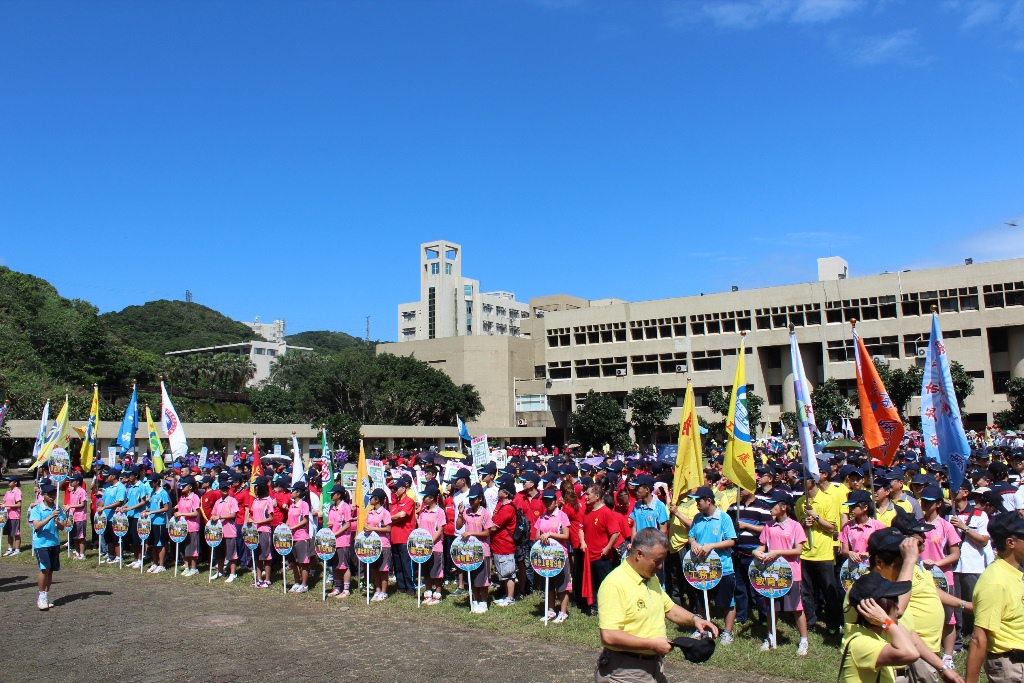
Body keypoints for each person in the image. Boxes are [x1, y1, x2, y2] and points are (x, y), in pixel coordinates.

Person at [595, 528, 718, 683]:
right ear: (639, 554)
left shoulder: (649, 577)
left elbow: (669, 608)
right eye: (657, 560)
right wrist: (652, 644)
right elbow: (609, 635)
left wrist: (695, 620)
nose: (660, 566)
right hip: (624, 670)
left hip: (653, 665)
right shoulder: (614, 584)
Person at [966, 512, 1024, 683]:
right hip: (1010, 667)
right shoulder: (996, 582)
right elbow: (978, 638)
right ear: (1010, 542)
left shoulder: (1014, 574)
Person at [754, 489, 809, 654]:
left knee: (797, 608)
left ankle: (804, 640)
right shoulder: (769, 526)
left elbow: (798, 550)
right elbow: (762, 545)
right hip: (771, 573)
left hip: (792, 573)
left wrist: (777, 552)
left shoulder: (795, 526)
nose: (769, 508)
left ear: (784, 507)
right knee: (772, 607)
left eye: (773, 505)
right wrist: (756, 552)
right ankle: (770, 637)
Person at [839, 573, 919, 683]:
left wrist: (887, 622)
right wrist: (885, 621)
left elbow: (911, 642)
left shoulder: (872, 635)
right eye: (894, 603)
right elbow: (911, 653)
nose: (898, 608)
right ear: (881, 608)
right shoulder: (861, 643)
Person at [687, 486, 738, 644]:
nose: (696, 504)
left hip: (723, 567)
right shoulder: (697, 518)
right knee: (702, 600)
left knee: (727, 601)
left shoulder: (724, 518)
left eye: (699, 501)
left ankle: (727, 632)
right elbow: (691, 536)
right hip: (702, 567)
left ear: (708, 501)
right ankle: (701, 628)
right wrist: (694, 542)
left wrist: (710, 546)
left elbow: (731, 541)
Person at [918, 485, 962, 662]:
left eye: (928, 502)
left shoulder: (946, 527)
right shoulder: (918, 525)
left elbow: (955, 554)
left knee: (948, 617)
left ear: (937, 504)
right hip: (921, 577)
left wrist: (936, 563)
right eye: (922, 501)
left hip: (943, 578)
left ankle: (948, 655)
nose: (924, 505)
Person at [948, 483, 992, 653]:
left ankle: (978, 637)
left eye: (955, 489)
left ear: (966, 493)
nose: (951, 492)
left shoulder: (980, 515)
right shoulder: (946, 513)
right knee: (955, 604)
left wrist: (964, 527)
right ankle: (957, 639)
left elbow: (984, 540)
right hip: (952, 567)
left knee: (976, 604)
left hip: (973, 566)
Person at [796, 473, 842, 635]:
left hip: (824, 554)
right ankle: (809, 621)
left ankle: (833, 624)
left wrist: (815, 517)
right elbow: (798, 529)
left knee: (829, 592)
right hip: (805, 554)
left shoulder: (827, 500)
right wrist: (803, 523)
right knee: (806, 592)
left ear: (812, 481)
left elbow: (832, 528)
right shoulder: (800, 502)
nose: (800, 483)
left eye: (803, 480)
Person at [29, 482, 71, 610]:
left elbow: (62, 527)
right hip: (41, 543)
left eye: (54, 493)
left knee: (51, 570)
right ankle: (41, 595)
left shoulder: (57, 508)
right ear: (43, 495)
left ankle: (46, 595)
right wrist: (50, 516)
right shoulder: (37, 509)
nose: (53, 496)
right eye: (50, 494)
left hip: (54, 542)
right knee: (44, 569)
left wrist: (58, 522)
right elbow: (36, 526)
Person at [534, 487, 572, 623]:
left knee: (562, 585)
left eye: (550, 501)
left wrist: (550, 535)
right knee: (548, 584)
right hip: (545, 555)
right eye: (545, 501)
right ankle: (550, 610)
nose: (547, 503)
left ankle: (563, 612)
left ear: (556, 502)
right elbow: (537, 535)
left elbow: (566, 535)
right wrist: (542, 538)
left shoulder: (562, 516)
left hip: (560, 555)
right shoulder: (542, 517)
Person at [584, 483, 623, 615]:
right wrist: (583, 542)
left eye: (588, 494)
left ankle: (608, 608)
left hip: (602, 556)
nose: (586, 497)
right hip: (589, 554)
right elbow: (581, 528)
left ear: (597, 496)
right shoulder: (587, 511)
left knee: (604, 583)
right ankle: (595, 607)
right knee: (593, 583)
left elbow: (616, 533)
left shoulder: (606, 512)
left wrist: (607, 548)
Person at [458, 483, 494, 613]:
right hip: (469, 551)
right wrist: (460, 514)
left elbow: (486, 533)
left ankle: (483, 602)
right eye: (470, 499)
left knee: (482, 579)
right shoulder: (467, 512)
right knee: (472, 578)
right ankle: (475, 600)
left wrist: (471, 533)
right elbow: (458, 526)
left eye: (474, 498)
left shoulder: (485, 514)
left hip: (482, 551)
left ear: (480, 499)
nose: (471, 501)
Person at [488, 477, 518, 608]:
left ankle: (510, 597)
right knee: (502, 572)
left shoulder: (507, 508)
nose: (498, 491)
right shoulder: (502, 506)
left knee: (508, 573)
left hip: (505, 544)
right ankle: (506, 595)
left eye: (501, 490)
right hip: (499, 544)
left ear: (506, 494)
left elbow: (495, 526)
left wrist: (484, 529)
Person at [417, 482, 447, 605]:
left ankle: (438, 593)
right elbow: (419, 525)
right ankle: (428, 592)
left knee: (437, 571)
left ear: (432, 498)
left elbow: (440, 530)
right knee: (426, 571)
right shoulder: (423, 510)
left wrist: (430, 542)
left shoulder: (440, 512)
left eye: (425, 497)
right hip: (423, 547)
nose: (424, 499)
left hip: (435, 547)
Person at [388, 476, 416, 597]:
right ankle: (401, 586)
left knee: (406, 564)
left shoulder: (409, 501)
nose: (394, 491)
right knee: (398, 564)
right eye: (393, 489)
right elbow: (394, 517)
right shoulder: (394, 503)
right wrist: (392, 518)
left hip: (405, 538)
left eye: (396, 488)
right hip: (394, 538)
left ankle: (410, 587)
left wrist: (390, 518)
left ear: (403, 489)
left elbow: (402, 515)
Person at [841, 490, 886, 563]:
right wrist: (849, 553)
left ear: (865, 507)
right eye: (850, 507)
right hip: (853, 567)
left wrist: (869, 553)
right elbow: (844, 550)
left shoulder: (877, 526)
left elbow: (883, 547)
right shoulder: (847, 526)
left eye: (854, 507)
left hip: (873, 566)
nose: (851, 509)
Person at [363, 488, 392, 601]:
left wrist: (373, 528)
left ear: (377, 499)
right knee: (374, 568)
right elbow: (368, 525)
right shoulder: (370, 512)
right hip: (372, 544)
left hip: (383, 544)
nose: (370, 499)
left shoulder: (385, 513)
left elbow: (388, 528)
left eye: (372, 497)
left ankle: (384, 592)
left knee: (383, 569)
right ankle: (377, 589)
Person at [326, 487, 353, 598]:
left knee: (344, 565)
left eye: (333, 494)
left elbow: (347, 524)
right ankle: (337, 587)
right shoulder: (332, 507)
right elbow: (330, 521)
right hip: (333, 540)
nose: (331, 496)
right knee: (335, 564)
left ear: (339, 495)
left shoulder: (345, 507)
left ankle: (346, 589)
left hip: (343, 540)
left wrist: (336, 533)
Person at [211, 482, 240, 582]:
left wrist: (220, 517)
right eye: (222, 488)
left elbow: (233, 515)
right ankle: (220, 571)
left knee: (231, 554)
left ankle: (232, 573)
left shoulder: (232, 500)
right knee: (219, 553)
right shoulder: (217, 502)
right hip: (218, 531)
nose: (224, 490)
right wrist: (213, 518)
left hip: (230, 531)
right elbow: (213, 514)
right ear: (219, 489)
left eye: (226, 488)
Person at [142, 473, 170, 572]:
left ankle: (161, 565)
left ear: (157, 482)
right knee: (153, 544)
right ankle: (154, 563)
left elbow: (166, 508)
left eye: (152, 482)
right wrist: (146, 511)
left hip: (160, 522)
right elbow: (153, 506)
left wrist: (151, 512)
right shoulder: (153, 493)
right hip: (152, 522)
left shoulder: (163, 493)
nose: (150, 484)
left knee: (160, 544)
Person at [249, 480, 275, 588]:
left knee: (266, 556)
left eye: (256, 487)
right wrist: (250, 520)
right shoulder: (255, 500)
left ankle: (267, 579)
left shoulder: (268, 500)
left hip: (264, 530)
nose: (254, 489)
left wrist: (258, 522)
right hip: (254, 531)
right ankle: (258, 579)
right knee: (257, 556)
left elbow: (271, 517)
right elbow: (252, 514)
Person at [286, 482, 312, 593]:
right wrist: (285, 527)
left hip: (301, 536)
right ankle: (296, 582)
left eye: (292, 491)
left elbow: (305, 520)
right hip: (292, 537)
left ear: (298, 493)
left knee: (304, 562)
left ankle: (304, 584)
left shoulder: (304, 504)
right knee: (294, 562)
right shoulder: (291, 505)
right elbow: (289, 519)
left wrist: (293, 527)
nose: (290, 493)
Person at [174, 477, 202, 576]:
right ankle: (187, 567)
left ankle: (194, 568)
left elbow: (195, 514)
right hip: (182, 527)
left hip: (192, 526)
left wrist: (181, 514)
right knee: (184, 548)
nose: (181, 487)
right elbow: (179, 509)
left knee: (192, 548)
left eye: (184, 485)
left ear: (190, 487)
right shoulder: (182, 497)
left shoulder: (195, 497)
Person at [66, 474, 89, 560]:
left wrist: (70, 506)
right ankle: (77, 552)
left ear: (78, 482)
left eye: (72, 481)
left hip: (80, 517)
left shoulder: (82, 491)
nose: (71, 482)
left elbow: (82, 504)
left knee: (81, 536)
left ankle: (82, 554)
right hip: (73, 517)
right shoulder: (72, 492)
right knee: (75, 536)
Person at [3, 476, 22, 556]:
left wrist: (6, 505)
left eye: (10, 481)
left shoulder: (17, 492)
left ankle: (17, 549)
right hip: (7, 516)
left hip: (14, 516)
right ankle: (9, 548)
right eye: (8, 482)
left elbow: (19, 504)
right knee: (9, 533)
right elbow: (4, 502)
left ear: (15, 482)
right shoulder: (8, 492)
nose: (8, 483)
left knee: (16, 533)